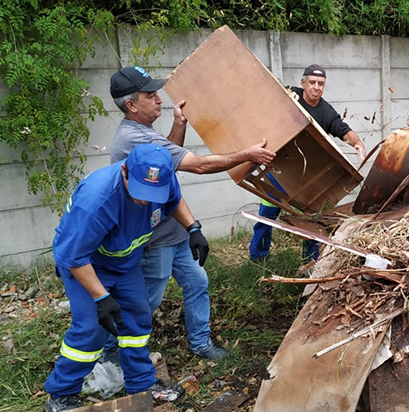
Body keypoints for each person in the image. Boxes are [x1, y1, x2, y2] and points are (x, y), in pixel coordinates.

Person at [107, 66, 276, 362]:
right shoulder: (133, 138)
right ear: (131, 105)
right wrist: (247, 154)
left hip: (173, 230)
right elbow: (197, 165)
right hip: (153, 238)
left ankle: (200, 342)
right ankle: (111, 349)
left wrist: (179, 123)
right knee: (147, 299)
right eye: (151, 95)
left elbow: (167, 161)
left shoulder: (144, 130)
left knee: (197, 283)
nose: (159, 99)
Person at [44, 144, 207, 412]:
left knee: (137, 319)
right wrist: (101, 297)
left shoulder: (162, 179)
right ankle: (62, 393)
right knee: (90, 330)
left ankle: (141, 384)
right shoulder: (97, 200)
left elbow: (174, 199)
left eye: (153, 194)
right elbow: (75, 257)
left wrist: (193, 228)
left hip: (125, 260)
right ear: (124, 171)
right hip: (87, 263)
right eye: (140, 192)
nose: (146, 201)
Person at [249, 64, 365, 262]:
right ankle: (258, 259)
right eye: (312, 82)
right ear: (303, 83)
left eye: (321, 84)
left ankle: (310, 262)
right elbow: (266, 97)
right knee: (265, 218)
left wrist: (357, 143)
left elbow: (342, 129)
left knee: (311, 222)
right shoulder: (290, 94)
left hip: (305, 178)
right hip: (278, 171)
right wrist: (284, 99)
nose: (316, 87)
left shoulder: (326, 111)